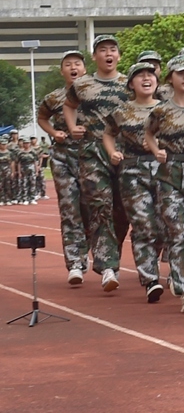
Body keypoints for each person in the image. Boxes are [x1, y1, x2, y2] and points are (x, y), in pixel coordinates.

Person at [63, 34, 132, 294]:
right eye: (103, 50)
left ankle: (111, 255)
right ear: (95, 56)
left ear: (119, 55)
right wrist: (72, 127)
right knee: (100, 206)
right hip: (92, 150)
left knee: (122, 211)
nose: (108, 53)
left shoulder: (130, 83)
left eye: (113, 49)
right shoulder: (82, 84)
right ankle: (108, 267)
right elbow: (69, 106)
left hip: (124, 150)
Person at [145, 56, 184, 313]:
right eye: (181, 73)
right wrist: (156, 151)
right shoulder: (160, 110)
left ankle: (177, 271)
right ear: (170, 77)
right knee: (178, 231)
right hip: (169, 173)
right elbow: (148, 133)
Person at [101, 62, 164, 303]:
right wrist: (112, 152)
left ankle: (152, 264)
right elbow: (108, 133)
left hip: (163, 171)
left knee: (162, 227)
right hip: (132, 171)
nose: (147, 79)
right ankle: (150, 279)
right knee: (143, 225)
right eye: (140, 76)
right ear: (131, 84)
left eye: (151, 75)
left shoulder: (166, 109)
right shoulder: (122, 111)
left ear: (157, 82)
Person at [37, 50, 91, 286]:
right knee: (70, 211)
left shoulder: (94, 95)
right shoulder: (54, 98)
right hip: (62, 157)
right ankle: (75, 263)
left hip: (91, 158)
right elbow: (42, 118)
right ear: (62, 71)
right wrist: (54, 132)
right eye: (68, 65)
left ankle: (87, 251)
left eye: (77, 64)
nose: (73, 68)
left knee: (91, 210)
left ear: (84, 69)